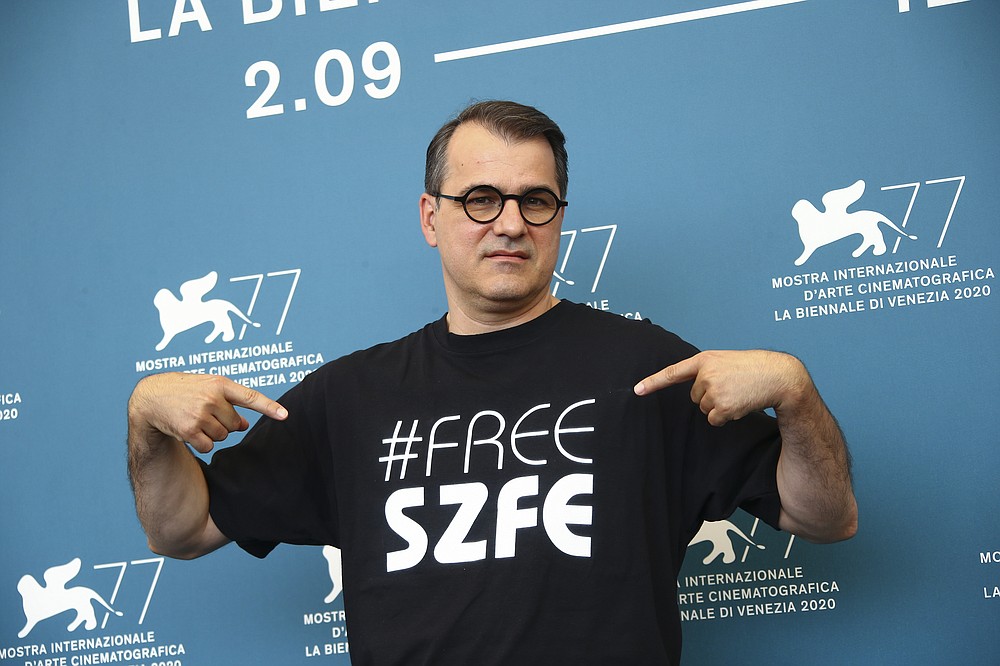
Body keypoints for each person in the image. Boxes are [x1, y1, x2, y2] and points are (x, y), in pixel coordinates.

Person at [127, 100, 857, 665]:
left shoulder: (649, 370)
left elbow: (828, 518)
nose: (509, 223)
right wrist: (145, 422)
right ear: (430, 218)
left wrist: (796, 395)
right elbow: (181, 528)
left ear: (558, 219)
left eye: (535, 201)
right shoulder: (350, 399)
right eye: (480, 199)